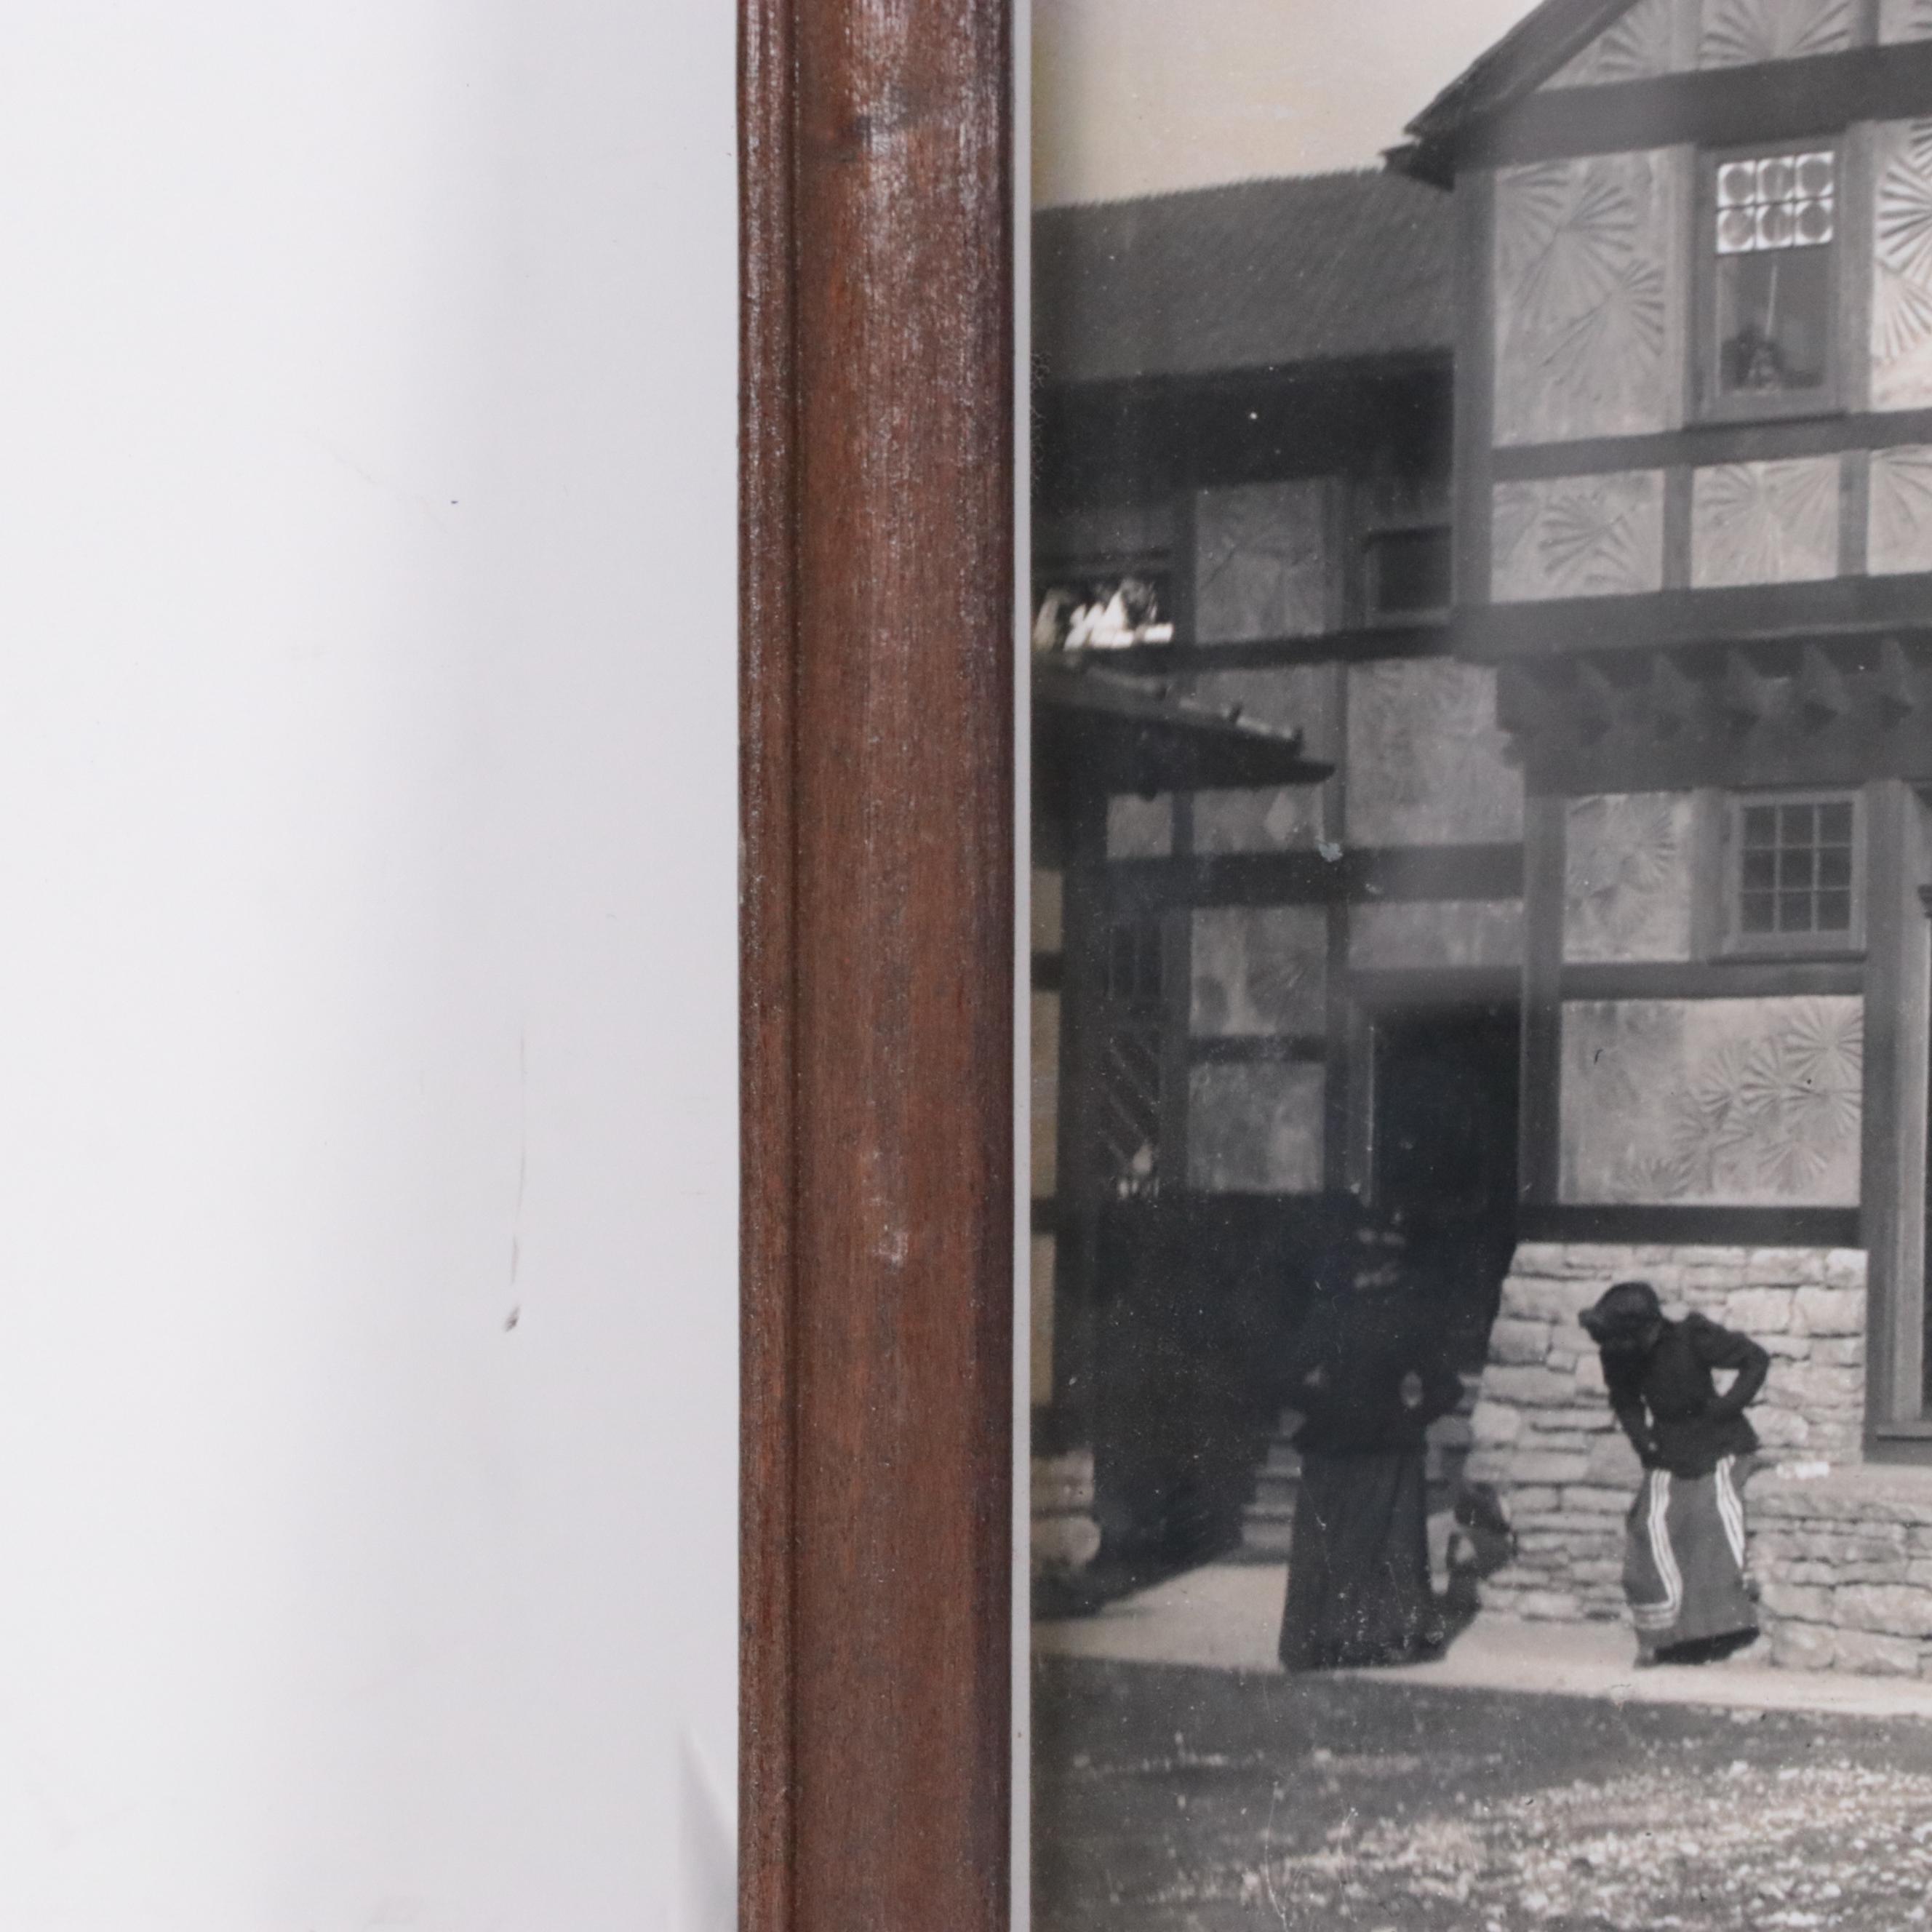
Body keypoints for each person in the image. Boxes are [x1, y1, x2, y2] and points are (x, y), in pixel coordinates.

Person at [1277, 1211, 1464, 1672]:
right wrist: (1406, 1419)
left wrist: (1321, 1404)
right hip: (1367, 1443)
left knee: (1355, 1544)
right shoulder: (1382, 1315)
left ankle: (1342, 1638)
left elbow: (1284, 1379)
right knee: (1368, 1544)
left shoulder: (1351, 1314)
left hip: (1356, 1443)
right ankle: (1367, 1638)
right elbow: (1447, 1389)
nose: (1376, 1272)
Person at [1578, 1280, 1771, 1666]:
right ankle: (1662, 1635)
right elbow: (1625, 1398)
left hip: (1719, 1445)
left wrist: (1726, 1409)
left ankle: (1721, 1629)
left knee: (1708, 1514)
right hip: (1667, 1451)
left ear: (1648, 1327)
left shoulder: (1691, 1338)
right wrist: (1642, 1439)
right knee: (1650, 1524)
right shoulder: (1621, 1354)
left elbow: (1756, 1359)